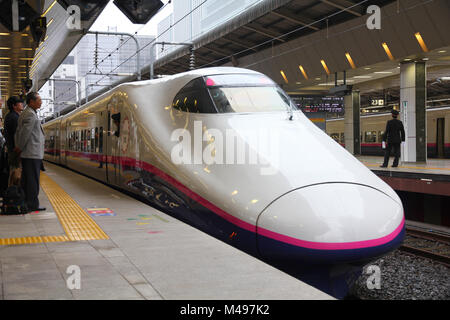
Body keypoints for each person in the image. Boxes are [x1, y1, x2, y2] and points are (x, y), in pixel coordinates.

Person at [14, 92, 46, 212]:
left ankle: (28, 202)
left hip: (29, 153)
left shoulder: (27, 113)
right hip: (31, 152)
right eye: (39, 100)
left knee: (28, 179)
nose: (41, 102)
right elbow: (24, 133)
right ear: (31, 102)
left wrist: (19, 147)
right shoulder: (30, 115)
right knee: (32, 180)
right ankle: (32, 204)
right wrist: (20, 147)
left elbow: (19, 132)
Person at [4, 96, 25, 178]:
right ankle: (13, 190)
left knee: (14, 173)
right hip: (15, 151)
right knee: (16, 174)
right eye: (20, 103)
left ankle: (12, 189)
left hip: (12, 149)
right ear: (14, 106)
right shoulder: (14, 118)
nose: (22, 104)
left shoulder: (10, 116)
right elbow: (17, 135)